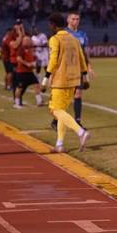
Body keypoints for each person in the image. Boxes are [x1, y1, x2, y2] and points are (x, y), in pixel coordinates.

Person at [47, 13, 91, 153]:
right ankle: (59, 144)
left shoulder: (55, 39)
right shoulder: (74, 39)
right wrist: (85, 77)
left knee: (55, 110)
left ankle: (81, 132)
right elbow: (82, 59)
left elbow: (53, 60)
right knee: (63, 112)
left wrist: (45, 77)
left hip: (60, 80)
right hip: (73, 80)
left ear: (53, 25)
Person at [66, 12, 90, 128]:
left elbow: (84, 52)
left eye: (77, 19)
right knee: (65, 95)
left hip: (78, 69)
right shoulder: (64, 33)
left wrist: (88, 66)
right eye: (73, 19)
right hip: (66, 69)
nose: (76, 21)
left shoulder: (82, 34)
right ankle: (56, 120)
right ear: (68, 20)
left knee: (78, 94)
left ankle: (78, 121)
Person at [11, 36, 43, 108]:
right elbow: (18, 59)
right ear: (23, 41)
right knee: (19, 88)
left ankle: (39, 101)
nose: (28, 42)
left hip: (29, 72)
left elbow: (34, 58)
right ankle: (16, 103)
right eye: (27, 40)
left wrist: (34, 63)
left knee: (36, 84)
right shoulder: (21, 49)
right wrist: (27, 64)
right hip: (22, 72)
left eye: (29, 40)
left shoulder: (31, 49)